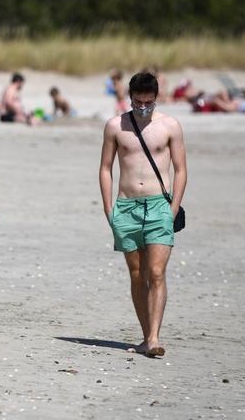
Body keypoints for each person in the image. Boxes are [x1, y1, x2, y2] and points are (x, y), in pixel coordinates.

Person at [99, 71, 187, 358]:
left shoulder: (170, 126)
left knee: (157, 271)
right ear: (130, 98)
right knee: (137, 274)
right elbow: (105, 168)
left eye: (148, 103)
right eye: (138, 102)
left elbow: (181, 169)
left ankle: (153, 338)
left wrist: (173, 207)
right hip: (126, 206)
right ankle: (145, 333)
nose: (143, 108)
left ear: (156, 98)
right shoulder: (115, 126)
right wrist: (108, 208)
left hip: (159, 205)